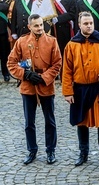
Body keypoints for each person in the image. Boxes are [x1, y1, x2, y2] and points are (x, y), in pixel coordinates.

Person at [62, 12, 99, 167]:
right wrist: (67, 92)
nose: (89, 26)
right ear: (79, 25)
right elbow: (66, 70)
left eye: (91, 23)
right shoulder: (72, 44)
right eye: (85, 23)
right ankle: (83, 153)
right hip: (79, 89)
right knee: (81, 122)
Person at [7, 14, 62, 165]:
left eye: (41, 25)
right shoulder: (22, 41)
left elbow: (57, 64)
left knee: (50, 121)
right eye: (36, 25)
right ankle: (32, 150)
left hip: (46, 86)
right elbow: (11, 63)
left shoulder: (52, 41)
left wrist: (44, 78)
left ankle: (50, 150)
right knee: (29, 122)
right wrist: (25, 74)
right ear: (29, 26)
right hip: (28, 87)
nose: (39, 28)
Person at [0, 0, 12, 81]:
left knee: (4, 54)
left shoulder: (7, 0)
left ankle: (5, 73)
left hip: (3, 31)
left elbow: (4, 7)